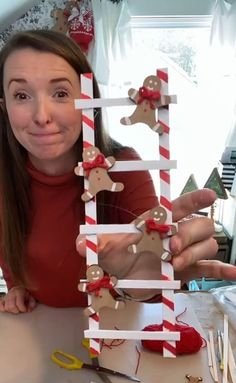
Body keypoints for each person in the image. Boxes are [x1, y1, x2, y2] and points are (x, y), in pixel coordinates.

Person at [0, 30, 235, 315]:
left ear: (88, 103)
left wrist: (141, 280)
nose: (41, 115)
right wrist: (17, 286)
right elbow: (9, 250)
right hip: (38, 327)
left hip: (114, 329)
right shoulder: (4, 177)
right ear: (5, 107)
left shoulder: (125, 170)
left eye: (60, 93)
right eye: (21, 95)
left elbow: (149, 280)